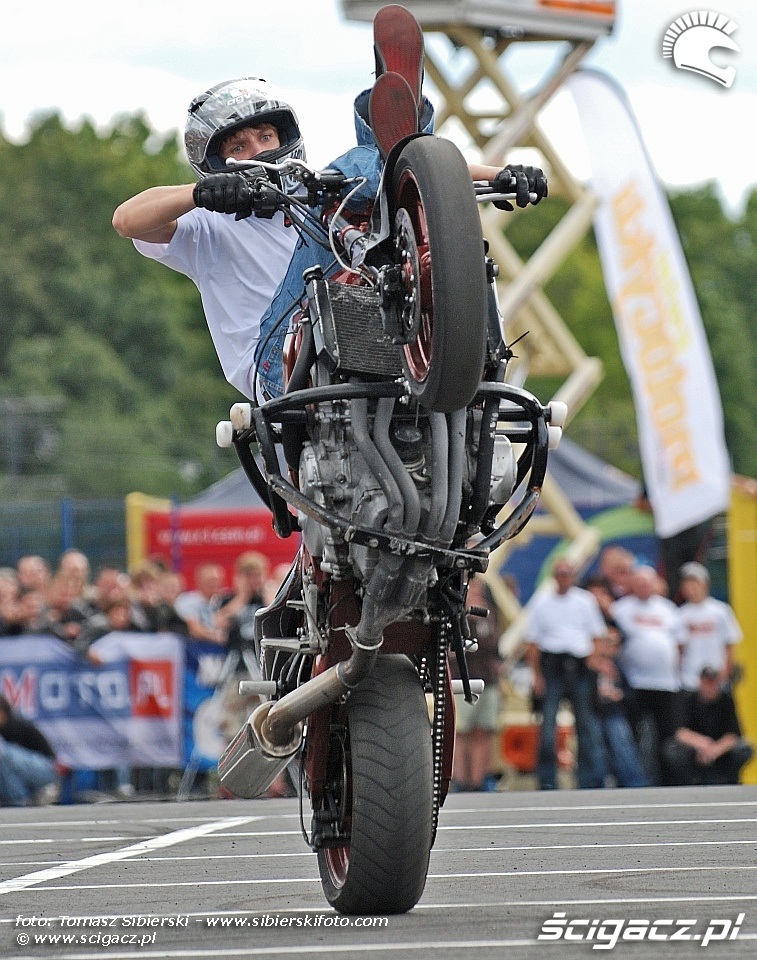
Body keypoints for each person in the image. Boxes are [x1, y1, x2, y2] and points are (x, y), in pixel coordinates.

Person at [112, 5, 547, 402]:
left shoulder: (315, 188)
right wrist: (200, 195)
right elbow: (127, 219)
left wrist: (502, 176)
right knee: (356, 177)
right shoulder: (207, 227)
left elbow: (437, 171)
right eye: (239, 146)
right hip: (278, 362)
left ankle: (425, 260)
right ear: (215, 163)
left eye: (266, 136)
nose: (259, 151)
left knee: (357, 185)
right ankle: (400, 134)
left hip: (371, 331)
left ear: (285, 137)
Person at [524, 559, 606, 790]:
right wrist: (536, 675)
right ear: (554, 576)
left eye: (567, 573)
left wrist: (593, 661)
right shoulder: (541, 601)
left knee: (585, 725)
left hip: (579, 666)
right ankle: (547, 779)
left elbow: (597, 635)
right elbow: (532, 643)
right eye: (559, 573)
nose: (563, 578)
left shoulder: (585, 600)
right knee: (548, 726)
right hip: (553, 666)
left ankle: (588, 779)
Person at [611, 565, 685, 785]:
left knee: (667, 733)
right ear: (633, 585)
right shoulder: (621, 608)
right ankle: (634, 779)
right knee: (634, 732)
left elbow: (680, 643)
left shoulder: (668, 609)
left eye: (647, 583)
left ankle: (668, 780)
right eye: (639, 583)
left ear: (655, 584)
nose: (644, 586)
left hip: (666, 682)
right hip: (635, 681)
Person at [451, 576, 504, 792]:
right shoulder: (456, 616)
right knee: (461, 731)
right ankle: (459, 779)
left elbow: (493, 644)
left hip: (487, 679)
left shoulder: (489, 616)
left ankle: (478, 779)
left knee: (483, 730)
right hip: (463, 678)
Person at [663, 667, 753, 786]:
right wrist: (702, 743)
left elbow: (733, 734)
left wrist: (715, 750)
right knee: (672, 749)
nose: (710, 686)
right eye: (707, 682)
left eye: (713, 682)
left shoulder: (726, 700)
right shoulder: (688, 700)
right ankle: (690, 780)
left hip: (721, 752)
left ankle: (728, 779)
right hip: (695, 751)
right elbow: (681, 732)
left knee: (744, 748)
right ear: (700, 682)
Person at [677, 561, 741, 692]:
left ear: (705, 584)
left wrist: (726, 670)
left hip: (716, 677)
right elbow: (679, 648)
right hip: (689, 678)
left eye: (695, 582)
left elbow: (730, 643)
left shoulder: (721, 610)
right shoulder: (680, 613)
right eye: (687, 583)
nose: (691, 587)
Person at [0, 695, 60, 806]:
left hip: (46, 768)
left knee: (3, 753)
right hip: (27, 771)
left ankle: (19, 799)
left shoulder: (15, 724)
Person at [174, 563, 227, 644]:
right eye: (211, 580)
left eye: (218, 580)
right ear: (199, 581)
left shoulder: (221, 601)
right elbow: (194, 629)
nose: (215, 584)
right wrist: (215, 636)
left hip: (218, 646)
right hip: (195, 645)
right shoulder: (187, 600)